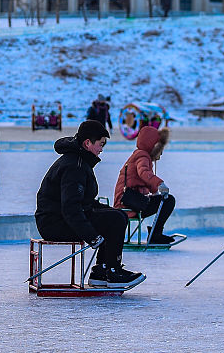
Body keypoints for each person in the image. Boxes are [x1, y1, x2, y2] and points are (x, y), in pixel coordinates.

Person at [35, 120, 144, 289]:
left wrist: (109, 211)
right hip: (55, 223)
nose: (102, 149)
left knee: (117, 215)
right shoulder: (75, 166)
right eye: (101, 144)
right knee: (115, 220)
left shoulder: (79, 161)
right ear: (87, 143)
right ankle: (112, 272)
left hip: (58, 218)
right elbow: (71, 207)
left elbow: (83, 202)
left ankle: (101, 271)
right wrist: (91, 235)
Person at [114, 125, 178, 244]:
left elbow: (144, 181)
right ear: (152, 145)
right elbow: (144, 173)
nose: (161, 153)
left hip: (129, 199)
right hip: (128, 202)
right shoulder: (142, 156)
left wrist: (155, 190)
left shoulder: (139, 155)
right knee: (169, 201)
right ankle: (155, 234)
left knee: (164, 200)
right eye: (159, 148)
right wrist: (160, 184)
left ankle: (155, 233)